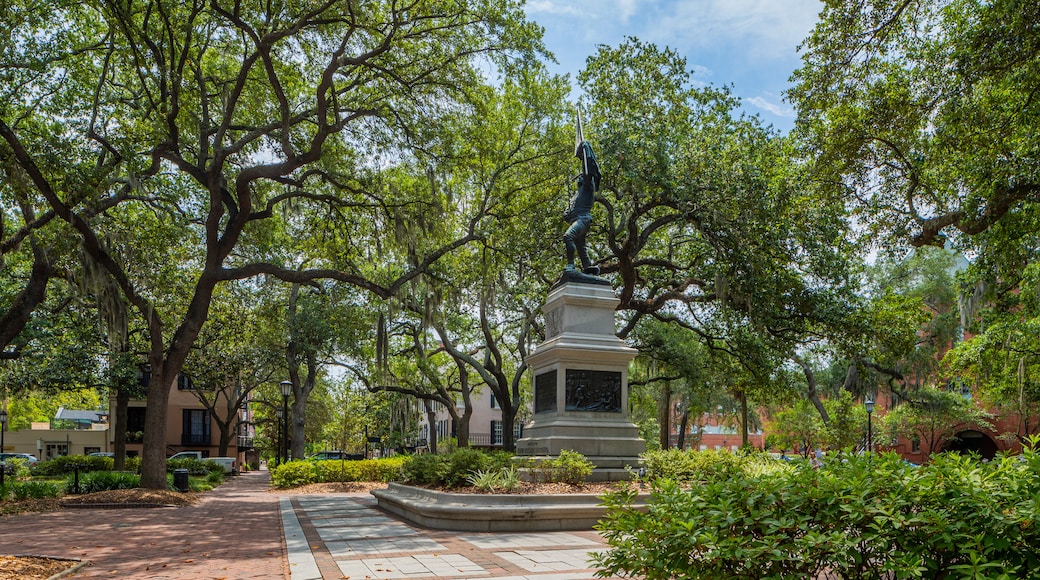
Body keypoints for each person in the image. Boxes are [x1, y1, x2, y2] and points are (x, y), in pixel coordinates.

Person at [564, 140, 601, 274]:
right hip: (576, 220)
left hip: (583, 219)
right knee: (581, 247)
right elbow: (567, 214)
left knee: (568, 237)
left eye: (581, 177)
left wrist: (585, 150)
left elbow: (588, 171)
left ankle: (570, 265)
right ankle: (588, 266)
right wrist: (567, 213)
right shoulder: (577, 195)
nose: (579, 178)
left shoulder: (588, 186)